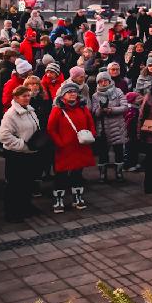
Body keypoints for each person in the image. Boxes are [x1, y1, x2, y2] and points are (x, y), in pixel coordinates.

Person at [47, 84, 97, 213]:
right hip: (64, 148)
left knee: (77, 173)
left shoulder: (82, 107)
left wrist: (91, 135)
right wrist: (60, 143)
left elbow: (90, 122)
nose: (72, 94)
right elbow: (51, 129)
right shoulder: (57, 109)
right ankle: (59, 200)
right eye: (69, 92)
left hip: (80, 146)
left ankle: (77, 197)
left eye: (74, 92)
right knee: (61, 175)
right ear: (63, 94)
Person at [0, 86, 43, 221]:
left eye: (28, 96)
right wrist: (23, 145)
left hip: (30, 152)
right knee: (15, 184)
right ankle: (12, 212)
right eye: (24, 96)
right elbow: (4, 136)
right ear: (16, 98)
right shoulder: (10, 114)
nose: (27, 98)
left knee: (27, 182)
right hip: (16, 154)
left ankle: (25, 206)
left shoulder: (30, 110)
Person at [93, 72, 128, 182]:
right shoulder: (95, 95)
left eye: (105, 80)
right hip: (102, 128)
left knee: (119, 152)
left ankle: (119, 173)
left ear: (109, 80)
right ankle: (103, 175)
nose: (103, 83)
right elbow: (94, 112)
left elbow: (125, 107)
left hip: (117, 126)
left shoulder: (118, 91)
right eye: (101, 81)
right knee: (103, 153)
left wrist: (111, 110)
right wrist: (101, 110)